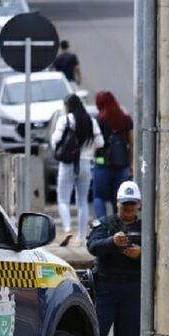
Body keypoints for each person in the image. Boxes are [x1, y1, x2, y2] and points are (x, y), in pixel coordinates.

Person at [87, 181, 142, 336]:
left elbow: (159, 253)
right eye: (124, 204)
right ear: (117, 204)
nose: (128, 208)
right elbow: (93, 246)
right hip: (106, 288)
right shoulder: (105, 224)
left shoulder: (144, 229)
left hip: (133, 289)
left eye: (132, 204)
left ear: (138, 205)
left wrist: (141, 253)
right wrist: (112, 242)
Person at [51, 94, 103, 245]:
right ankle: (81, 237)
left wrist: (63, 149)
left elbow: (55, 141)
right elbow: (100, 142)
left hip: (67, 163)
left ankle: (67, 229)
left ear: (68, 106)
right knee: (82, 201)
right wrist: (87, 149)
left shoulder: (64, 120)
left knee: (63, 199)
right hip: (86, 164)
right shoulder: (90, 121)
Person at [93, 91, 133, 219]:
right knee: (119, 199)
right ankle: (119, 227)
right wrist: (130, 163)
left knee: (99, 197)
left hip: (101, 163)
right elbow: (131, 143)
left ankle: (102, 226)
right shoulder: (126, 119)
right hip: (121, 165)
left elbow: (94, 143)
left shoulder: (98, 120)